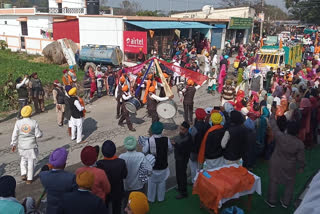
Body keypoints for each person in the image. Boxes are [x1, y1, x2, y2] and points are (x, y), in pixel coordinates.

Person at [266, 109, 305, 208]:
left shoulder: (280, 136)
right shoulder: (299, 144)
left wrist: (273, 114)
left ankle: (272, 201)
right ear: (297, 132)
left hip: (276, 162)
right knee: (289, 184)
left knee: (274, 181)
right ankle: (285, 202)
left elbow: (274, 126)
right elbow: (301, 158)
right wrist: (301, 167)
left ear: (288, 129)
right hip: (290, 165)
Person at [10, 105, 42, 184]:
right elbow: (38, 135)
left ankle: (23, 173)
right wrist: (41, 134)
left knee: (23, 159)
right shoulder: (34, 122)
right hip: (31, 145)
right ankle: (29, 178)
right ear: (30, 113)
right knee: (31, 161)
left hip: (21, 145)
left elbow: (15, 134)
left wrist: (13, 144)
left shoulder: (18, 123)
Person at [40, 148, 77, 214]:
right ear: (64, 164)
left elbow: (43, 171)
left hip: (51, 210)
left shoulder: (43, 176)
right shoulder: (71, 178)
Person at [142, 122, 173, 203]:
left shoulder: (149, 141)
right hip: (163, 166)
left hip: (153, 168)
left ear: (152, 130)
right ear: (162, 130)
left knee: (151, 184)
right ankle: (161, 198)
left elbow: (144, 151)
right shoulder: (167, 139)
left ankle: (151, 199)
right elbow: (170, 149)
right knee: (162, 183)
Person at [119, 136, 152, 205]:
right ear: (135, 145)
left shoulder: (121, 156)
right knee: (139, 204)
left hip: (126, 186)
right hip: (138, 185)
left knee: (127, 204)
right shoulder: (140, 155)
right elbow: (149, 169)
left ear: (126, 146)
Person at [97, 140, 128, 214]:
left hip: (105, 191)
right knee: (117, 207)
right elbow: (124, 175)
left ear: (103, 153)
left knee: (106, 206)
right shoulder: (121, 162)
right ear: (114, 151)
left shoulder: (99, 164)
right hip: (118, 190)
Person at [172, 121, 192, 199]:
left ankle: (183, 192)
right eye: (180, 128)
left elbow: (183, 150)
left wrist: (175, 145)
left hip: (182, 159)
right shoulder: (184, 135)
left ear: (187, 129)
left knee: (182, 175)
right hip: (179, 158)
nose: (181, 130)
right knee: (179, 174)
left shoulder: (187, 138)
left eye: (182, 129)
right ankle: (180, 187)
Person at [189, 108, 209, 183]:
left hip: (194, 150)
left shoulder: (194, 128)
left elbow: (191, 138)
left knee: (193, 167)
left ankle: (194, 181)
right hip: (203, 150)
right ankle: (202, 181)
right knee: (202, 167)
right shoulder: (207, 125)